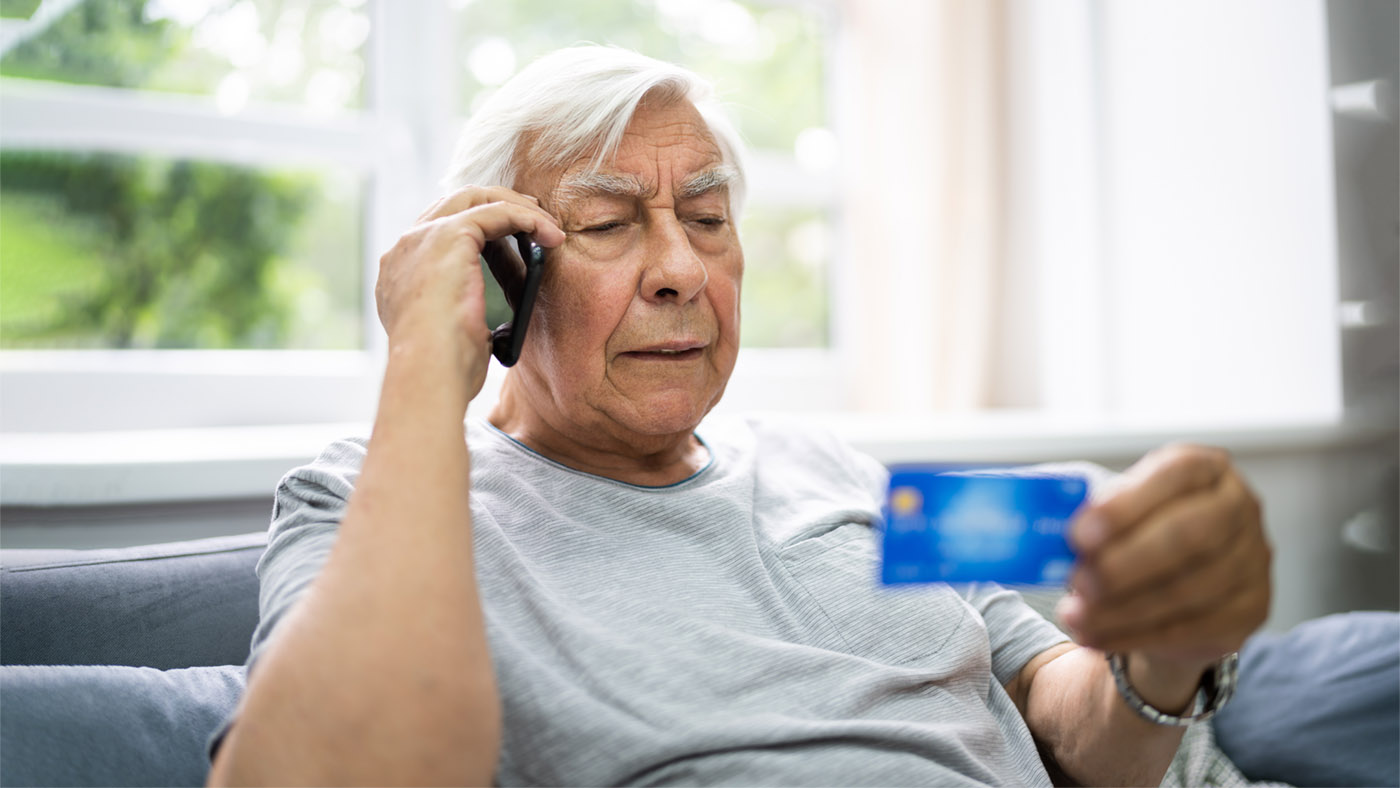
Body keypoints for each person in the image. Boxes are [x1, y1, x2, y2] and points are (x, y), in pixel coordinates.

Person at [206, 46, 1271, 787]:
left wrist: (1161, 653)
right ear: (500, 271)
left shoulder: (844, 468)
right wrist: (423, 374)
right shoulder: (366, 491)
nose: (680, 266)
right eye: (609, 221)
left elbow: (1071, 726)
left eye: (707, 218)